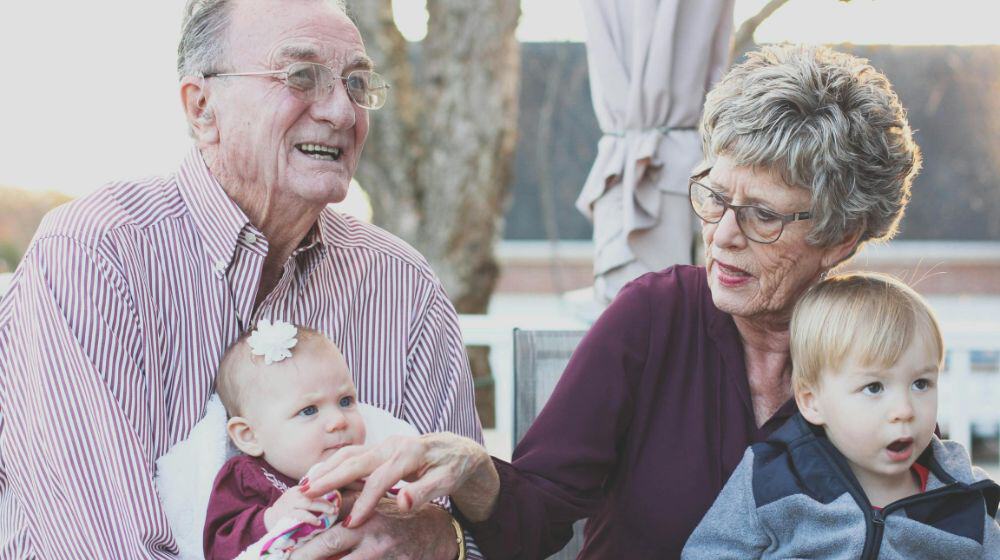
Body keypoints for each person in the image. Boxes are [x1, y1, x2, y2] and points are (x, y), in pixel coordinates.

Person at [297, 43, 926, 559]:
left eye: (762, 215)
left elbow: (922, 520)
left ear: (841, 238)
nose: (723, 235)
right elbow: (533, 520)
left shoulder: (880, 351)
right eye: (713, 195)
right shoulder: (655, 318)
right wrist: (473, 467)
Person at [0, 0, 480, 557]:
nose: (342, 112)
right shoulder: (96, 255)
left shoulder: (403, 284)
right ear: (202, 107)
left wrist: (433, 539)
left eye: (356, 82)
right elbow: (95, 545)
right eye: (301, 76)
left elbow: (469, 531)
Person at [683, 273, 1000, 559]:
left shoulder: (961, 497)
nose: (904, 410)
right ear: (812, 402)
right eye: (874, 387)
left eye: (921, 383)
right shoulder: (773, 479)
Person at [203, 321, 365, 559]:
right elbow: (218, 547)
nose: (338, 420)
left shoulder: (366, 471)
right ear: (249, 436)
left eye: (345, 401)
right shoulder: (248, 477)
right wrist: (270, 519)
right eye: (309, 410)